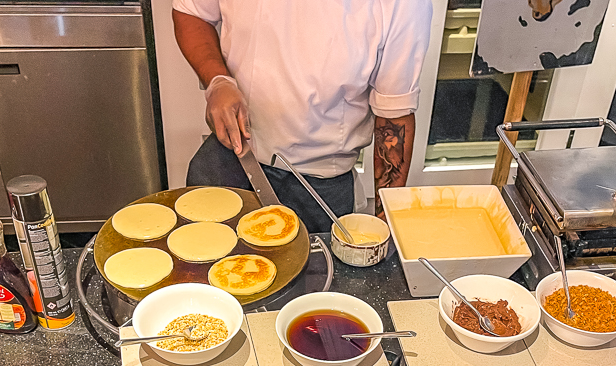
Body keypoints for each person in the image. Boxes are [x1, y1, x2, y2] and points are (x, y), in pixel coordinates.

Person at [172, 0, 432, 233]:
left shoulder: (404, 5)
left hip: (319, 188)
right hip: (229, 155)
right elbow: (192, 12)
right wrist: (217, 80)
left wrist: (383, 226)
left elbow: (393, 120)